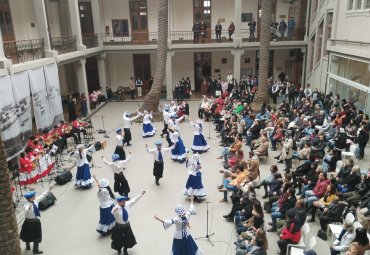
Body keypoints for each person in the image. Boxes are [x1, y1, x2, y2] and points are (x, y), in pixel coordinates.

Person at [20, 188, 51, 254]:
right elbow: (26, 209)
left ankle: (35, 249)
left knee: (37, 236)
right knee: (27, 235)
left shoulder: (36, 201)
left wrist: (48, 190)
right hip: (28, 222)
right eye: (33, 196)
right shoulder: (26, 204)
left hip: (35, 221)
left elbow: (42, 195)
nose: (34, 197)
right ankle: (27, 245)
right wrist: (29, 208)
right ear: (30, 199)